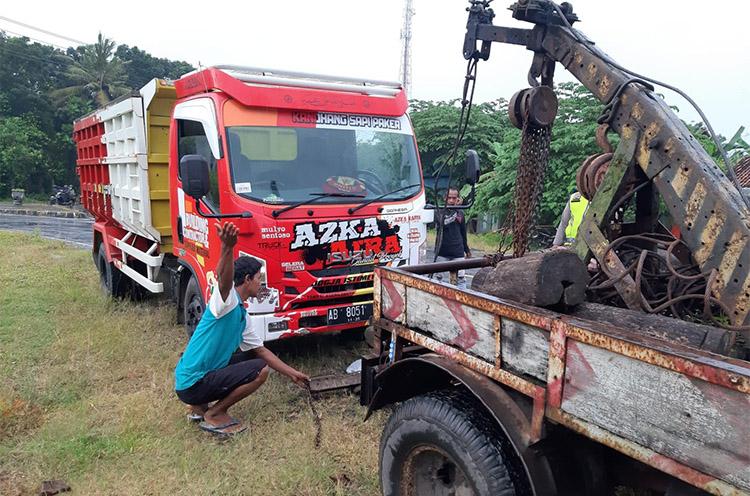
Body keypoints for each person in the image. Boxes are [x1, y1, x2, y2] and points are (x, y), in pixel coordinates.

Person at [174, 222, 309, 436]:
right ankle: (215, 414)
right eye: (259, 279)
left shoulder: (241, 313)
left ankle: (199, 407)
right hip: (191, 384)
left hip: (190, 383)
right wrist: (227, 247)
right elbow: (224, 280)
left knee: (254, 359)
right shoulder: (226, 301)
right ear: (247, 279)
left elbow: (261, 350)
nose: (261, 283)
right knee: (260, 370)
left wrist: (293, 374)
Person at [434, 187, 472, 289]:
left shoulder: (460, 213)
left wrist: (467, 250)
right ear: (444, 198)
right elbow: (444, 222)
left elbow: (463, 233)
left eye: (454, 198)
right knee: (439, 279)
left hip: (457, 251)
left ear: (457, 199)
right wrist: (456, 209)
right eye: (449, 198)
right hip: (442, 251)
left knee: (461, 279)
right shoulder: (439, 211)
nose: (451, 201)